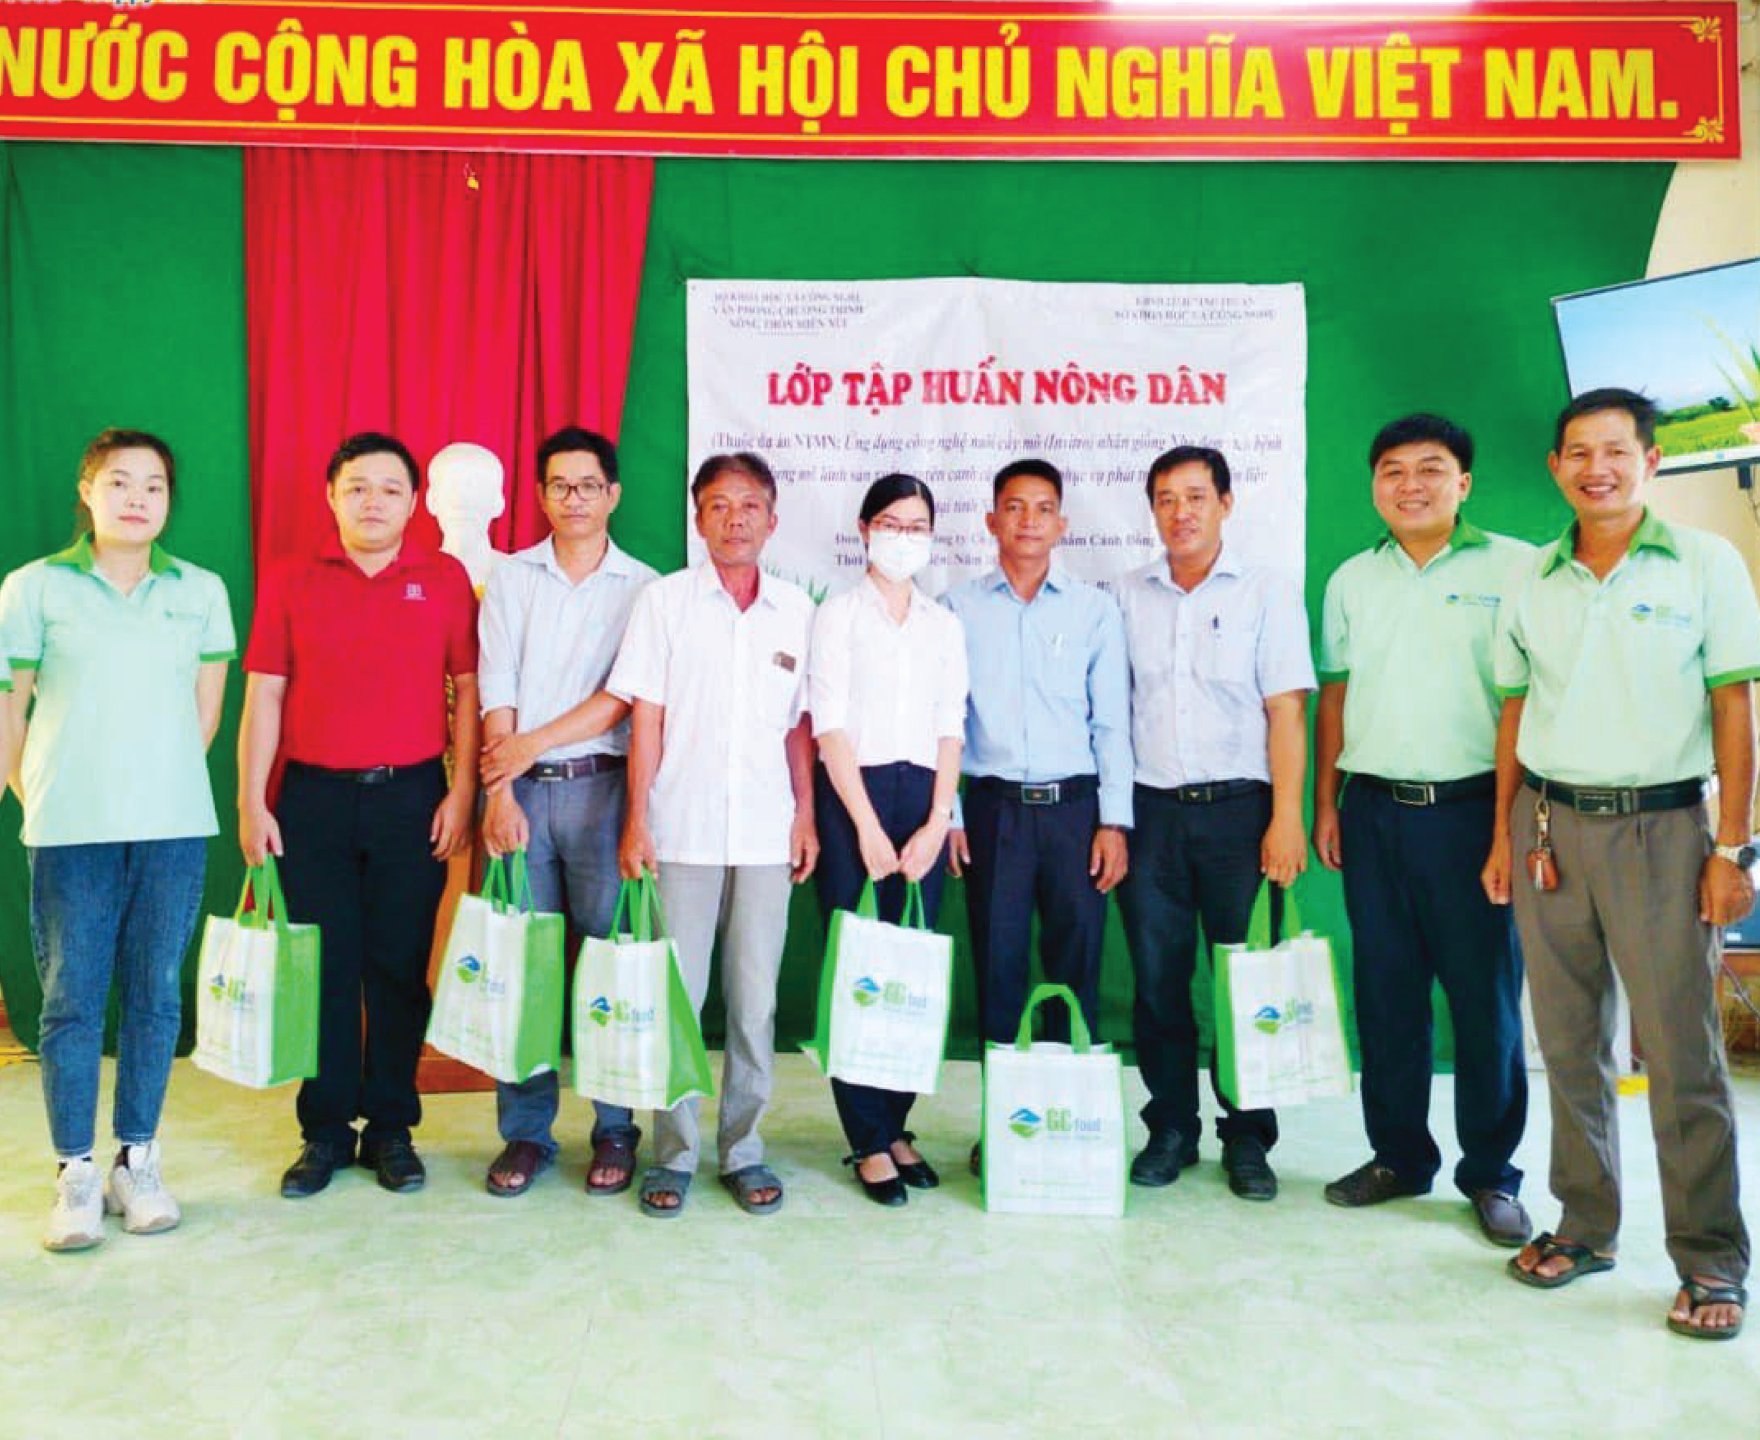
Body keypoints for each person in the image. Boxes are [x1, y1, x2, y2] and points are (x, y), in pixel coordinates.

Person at [1486, 388, 1759, 1340]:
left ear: (1650, 461)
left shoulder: (1705, 564)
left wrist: (1730, 847)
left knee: (1681, 1053)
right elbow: (1514, 710)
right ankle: (1585, 1225)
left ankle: (1711, 1260)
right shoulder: (1532, 578)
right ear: (1555, 467)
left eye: (1614, 451)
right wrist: (1503, 837)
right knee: (1568, 1043)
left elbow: (1733, 706)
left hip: (1664, 831)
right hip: (1548, 826)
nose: (1594, 468)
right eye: (1577, 452)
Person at [0, 429, 232, 1250]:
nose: (138, 498)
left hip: (173, 829)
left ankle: (138, 1159)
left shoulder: (201, 590)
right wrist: (43, 795)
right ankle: (75, 1172)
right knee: (70, 1000)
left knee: (155, 995)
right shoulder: (32, 588)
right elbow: (10, 711)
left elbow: (204, 715)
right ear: (87, 491)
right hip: (70, 832)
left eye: (154, 485)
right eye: (120, 482)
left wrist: (154, 787)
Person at [239, 431, 479, 1199]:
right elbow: (265, 692)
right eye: (357, 488)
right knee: (324, 968)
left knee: (399, 969)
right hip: (311, 800)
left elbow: (468, 690)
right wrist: (252, 799)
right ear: (331, 496)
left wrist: (462, 791)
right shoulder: (291, 578)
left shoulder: (444, 578)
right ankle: (324, 1130)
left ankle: (391, 1128)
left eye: (390, 489)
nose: (373, 502)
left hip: (413, 797)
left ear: (414, 502)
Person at [1312, 415, 1531, 1244]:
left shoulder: (1517, 568)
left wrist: (1507, 829)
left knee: (1484, 1004)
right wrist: (1327, 804)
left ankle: (1491, 1174)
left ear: (1463, 483)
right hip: (1372, 812)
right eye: (1393, 471)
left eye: (1430, 469)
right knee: (1387, 995)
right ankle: (1399, 1156)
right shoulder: (1350, 580)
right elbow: (1335, 696)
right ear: (1374, 485)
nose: (1411, 485)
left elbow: (1522, 703)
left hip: (1474, 813)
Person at [608, 451, 817, 1218]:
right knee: (678, 1000)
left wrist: (805, 813)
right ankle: (674, 1155)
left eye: (749, 505)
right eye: (719, 505)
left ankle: (743, 1150)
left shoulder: (796, 610)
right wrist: (638, 819)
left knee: (755, 1004)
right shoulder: (664, 603)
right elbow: (647, 718)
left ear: (772, 518)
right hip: (681, 830)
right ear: (697, 518)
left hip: (766, 833)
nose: (735, 519)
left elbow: (799, 726)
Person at [1114, 445, 1313, 1202]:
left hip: (1241, 814)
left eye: (1196, 496)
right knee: (1158, 980)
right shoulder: (1127, 595)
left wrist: (1286, 818)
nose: (1181, 512)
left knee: (1245, 982)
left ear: (1226, 504)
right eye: (1166, 499)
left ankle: (1248, 1134)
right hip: (1151, 813)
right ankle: (1171, 1125)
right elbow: (1114, 713)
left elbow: (1286, 711)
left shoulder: (1267, 590)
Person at [475, 425, 658, 1198]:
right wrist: (499, 791)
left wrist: (530, 746)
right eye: (559, 485)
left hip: (603, 791)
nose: (574, 498)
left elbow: (624, 696)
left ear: (613, 494)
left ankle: (615, 1128)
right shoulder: (511, 577)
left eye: (588, 485)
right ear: (540, 495)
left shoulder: (646, 587)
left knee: (611, 967)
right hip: (519, 795)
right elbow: (496, 684)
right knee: (522, 968)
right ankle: (525, 1133)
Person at [944, 458, 1131, 1175]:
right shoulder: (957, 609)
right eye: (1014, 507)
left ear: (1062, 523)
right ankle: (1006, 1126)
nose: (1028, 520)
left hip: (1075, 812)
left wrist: (1114, 822)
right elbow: (945, 720)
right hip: (992, 811)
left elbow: (1111, 723)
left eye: (1043, 508)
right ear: (991, 520)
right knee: (998, 969)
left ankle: (1065, 1121)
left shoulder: (1093, 611)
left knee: (1074, 969)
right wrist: (951, 812)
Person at [809, 474, 966, 1206]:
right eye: (892, 524)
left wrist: (939, 821)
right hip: (855, 801)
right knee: (859, 973)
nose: (905, 538)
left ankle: (897, 1125)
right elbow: (829, 725)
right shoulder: (837, 616)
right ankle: (867, 1138)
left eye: (918, 526)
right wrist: (867, 826)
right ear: (866, 530)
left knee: (911, 974)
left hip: (923, 803)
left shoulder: (943, 624)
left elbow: (951, 726)